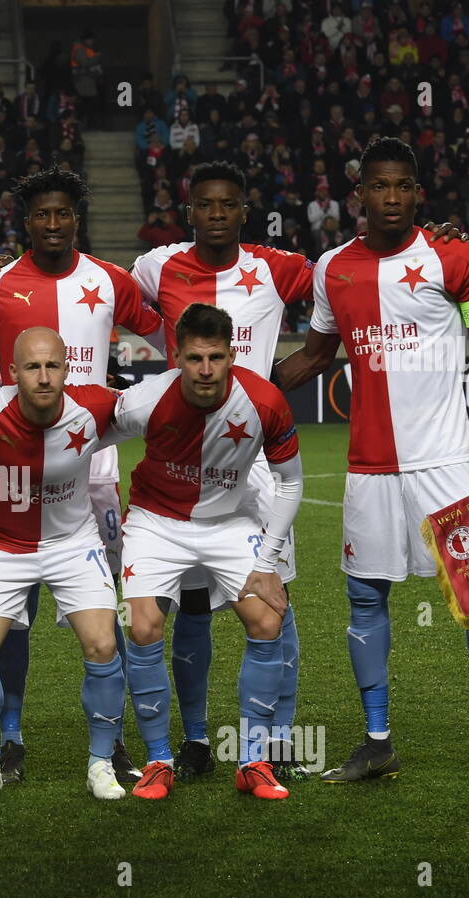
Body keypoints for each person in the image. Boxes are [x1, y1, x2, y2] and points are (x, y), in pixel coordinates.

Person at [131, 159, 462, 782]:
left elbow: (356, 276)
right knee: (190, 610)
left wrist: (432, 243)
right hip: (181, 466)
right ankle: (197, 739)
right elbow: (110, 299)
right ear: (190, 211)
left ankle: (277, 741)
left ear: (244, 210)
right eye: (206, 204)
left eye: (229, 204)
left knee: (273, 603)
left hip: (255, 464)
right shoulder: (158, 265)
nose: (218, 214)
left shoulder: (279, 267)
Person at [273, 137, 469, 789]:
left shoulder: (456, 257)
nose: (390, 198)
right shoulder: (333, 269)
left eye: (402, 187)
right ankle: (377, 740)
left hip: (447, 462)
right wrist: (243, 390)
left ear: (418, 193)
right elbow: (314, 356)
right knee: (365, 599)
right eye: (378, 187)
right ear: (357, 194)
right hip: (369, 467)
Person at [0, 165, 164, 785]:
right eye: (41, 214)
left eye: (62, 213)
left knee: (105, 613)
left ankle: (112, 744)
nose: (52, 224)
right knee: (13, 614)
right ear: (26, 221)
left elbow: (165, 324)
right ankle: (8, 737)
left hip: (92, 468)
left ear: (77, 218)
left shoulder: (108, 280)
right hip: (17, 471)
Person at [106, 303, 303, 801]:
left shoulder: (264, 401)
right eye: (195, 358)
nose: (207, 370)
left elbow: (291, 483)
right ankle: (158, 761)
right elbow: (85, 430)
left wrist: (266, 564)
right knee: (145, 626)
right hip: (156, 523)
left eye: (216, 357)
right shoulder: (144, 400)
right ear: (177, 356)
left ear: (233, 354)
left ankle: (254, 761)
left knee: (267, 621)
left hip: (229, 522)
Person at [0, 327, 128, 802]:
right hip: (3, 548)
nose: (44, 377)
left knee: (104, 644)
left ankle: (101, 763)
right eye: (32, 367)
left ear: (67, 368)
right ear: (12, 372)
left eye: (53, 366)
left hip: (73, 543)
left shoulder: (96, 405)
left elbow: (163, 405)